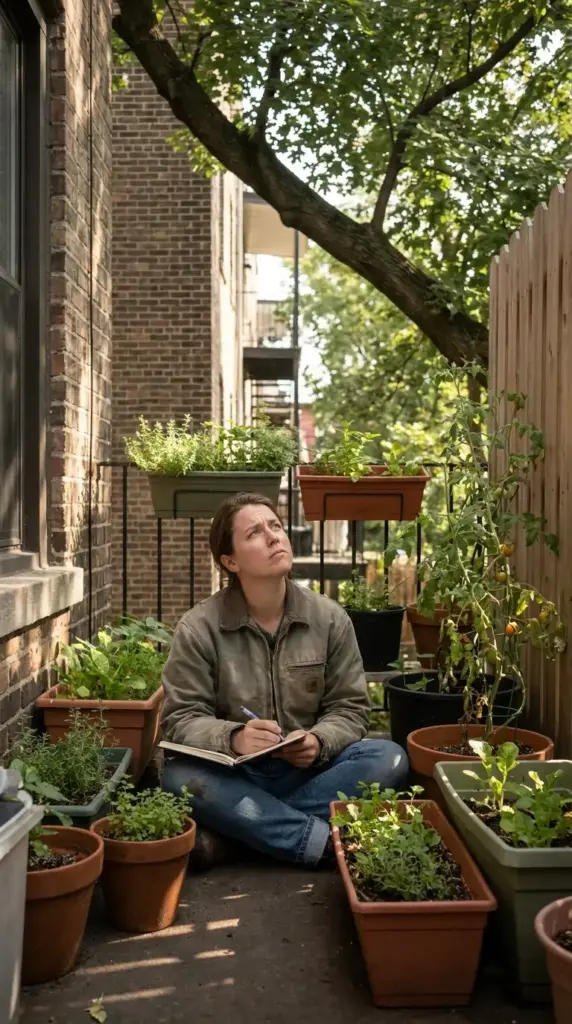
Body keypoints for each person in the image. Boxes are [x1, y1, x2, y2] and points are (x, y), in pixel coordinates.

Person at [161, 492, 408, 869]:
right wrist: (234, 737)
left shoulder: (329, 618)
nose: (275, 537)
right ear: (230, 561)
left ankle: (238, 837)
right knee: (178, 778)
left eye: (275, 526)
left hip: (311, 773)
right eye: (255, 533)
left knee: (388, 757)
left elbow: (350, 707)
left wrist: (319, 740)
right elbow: (180, 719)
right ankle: (319, 842)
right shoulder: (199, 629)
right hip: (237, 777)